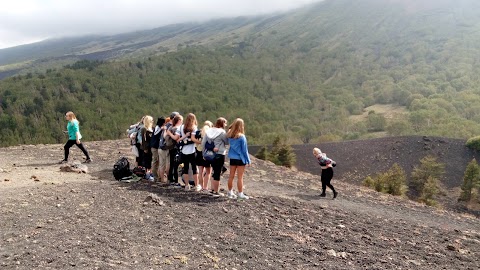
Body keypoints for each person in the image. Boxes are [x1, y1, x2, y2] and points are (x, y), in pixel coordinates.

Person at [202, 117, 228, 196]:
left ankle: (212, 189)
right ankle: (216, 191)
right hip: (219, 153)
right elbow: (226, 142)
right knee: (217, 172)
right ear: (222, 123)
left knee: (213, 171)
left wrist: (204, 153)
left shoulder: (208, 131)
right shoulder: (222, 132)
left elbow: (203, 143)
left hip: (209, 154)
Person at [226, 118, 251, 200]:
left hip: (232, 158)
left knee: (231, 176)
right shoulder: (242, 137)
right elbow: (244, 150)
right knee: (240, 177)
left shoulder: (230, 136)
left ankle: (230, 192)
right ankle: (240, 193)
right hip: (240, 158)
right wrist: (248, 160)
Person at [177, 113, 201, 191]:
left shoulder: (181, 127)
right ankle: (197, 185)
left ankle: (187, 185)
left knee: (185, 168)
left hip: (184, 150)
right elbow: (193, 139)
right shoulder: (194, 127)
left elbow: (178, 138)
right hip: (192, 150)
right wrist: (200, 142)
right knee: (194, 168)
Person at [195, 121, 213, 191]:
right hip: (207, 153)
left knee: (200, 171)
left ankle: (200, 185)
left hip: (199, 152)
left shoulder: (198, 133)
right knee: (208, 172)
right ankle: (205, 187)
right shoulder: (210, 134)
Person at [166, 114, 182, 186]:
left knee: (171, 163)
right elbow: (176, 138)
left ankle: (170, 179)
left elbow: (165, 136)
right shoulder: (177, 129)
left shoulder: (170, 128)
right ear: (179, 121)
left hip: (170, 148)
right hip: (176, 148)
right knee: (175, 165)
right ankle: (175, 180)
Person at [150, 117, 166, 181]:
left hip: (154, 146)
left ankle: (157, 176)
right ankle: (156, 176)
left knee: (156, 161)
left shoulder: (156, 127)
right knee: (156, 161)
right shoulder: (159, 128)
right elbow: (157, 134)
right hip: (155, 147)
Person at [141, 116, 154, 181]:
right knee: (147, 161)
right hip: (147, 148)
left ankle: (151, 173)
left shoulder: (152, 128)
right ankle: (147, 174)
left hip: (152, 147)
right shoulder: (144, 129)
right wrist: (145, 148)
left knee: (152, 160)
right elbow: (144, 140)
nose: (152, 121)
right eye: (151, 120)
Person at [158, 117, 171, 183]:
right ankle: (167, 177)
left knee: (161, 164)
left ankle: (162, 179)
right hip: (165, 148)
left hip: (160, 147)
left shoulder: (162, 128)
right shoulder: (169, 127)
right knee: (168, 163)